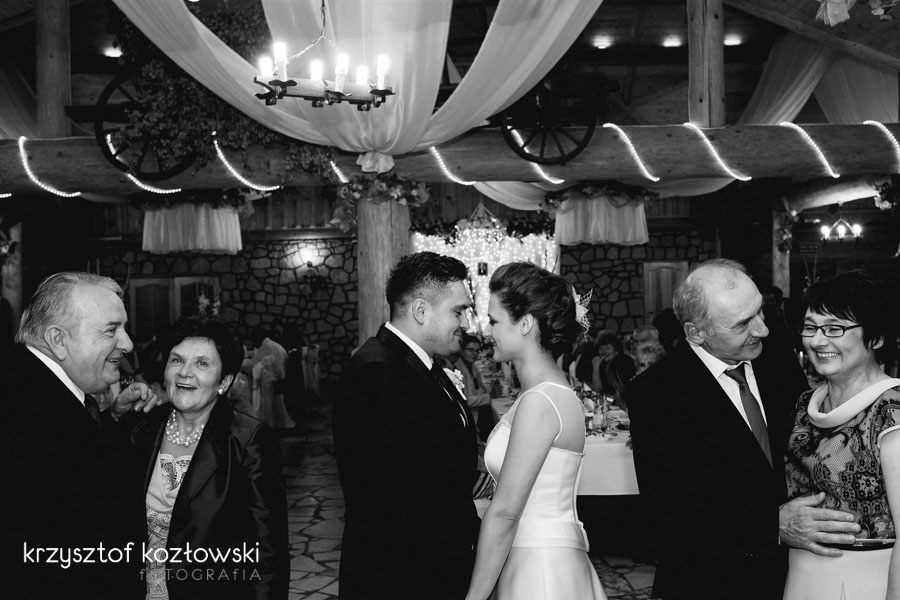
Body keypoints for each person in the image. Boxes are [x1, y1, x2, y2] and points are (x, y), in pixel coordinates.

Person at [627, 259, 859, 600]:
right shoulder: (656, 393)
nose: (762, 329)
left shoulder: (775, 357)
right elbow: (669, 512)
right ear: (696, 332)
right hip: (713, 580)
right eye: (742, 324)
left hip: (795, 573)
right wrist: (773, 526)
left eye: (759, 312)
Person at [0, 272, 161, 600]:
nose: (128, 344)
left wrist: (113, 418)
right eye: (111, 330)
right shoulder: (26, 409)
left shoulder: (32, 386)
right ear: (58, 340)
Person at [333, 251, 480, 600]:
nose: (465, 323)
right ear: (420, 311)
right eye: (458, 311)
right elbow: (388, 494)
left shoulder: (414, 365)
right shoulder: (379, 372)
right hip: (401, 574)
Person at [466, 262, 606, 600]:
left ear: (525, 324)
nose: (488, 331)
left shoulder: (541, 401)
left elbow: (506, 512)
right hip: (531, 558)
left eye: (494, 321)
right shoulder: (546, 393)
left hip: (540, 569)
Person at [128, 316, 289, 599]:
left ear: (224, 381)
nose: (184, 373)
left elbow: (267, 552)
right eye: (176, 360)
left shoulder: (247, 440)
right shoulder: (142, 430)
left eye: (202, 363)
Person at [783, 272, 900, 600]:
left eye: (835, 328)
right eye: (811, 327)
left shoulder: (891, 410)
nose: (818, 341)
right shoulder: (805, 403)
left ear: (876, 338)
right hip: (801, 578)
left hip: (866, 582)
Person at [454, 334, 494, 442]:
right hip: (470, 419)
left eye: (477, 350)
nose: (474, 353)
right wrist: (489, 397)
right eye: (470, 350)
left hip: (477, 412)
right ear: (462, 350)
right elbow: (465, 401)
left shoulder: (472, 366)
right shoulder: (457, 369)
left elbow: (480, 389)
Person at [591, 331, 636, 407]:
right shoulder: (602, 365)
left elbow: (624, 394)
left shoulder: (624, 363)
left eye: (608, 348)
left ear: (616, 350)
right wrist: (596, 367)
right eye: (601, 349)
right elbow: (596, 391)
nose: (604, 352)